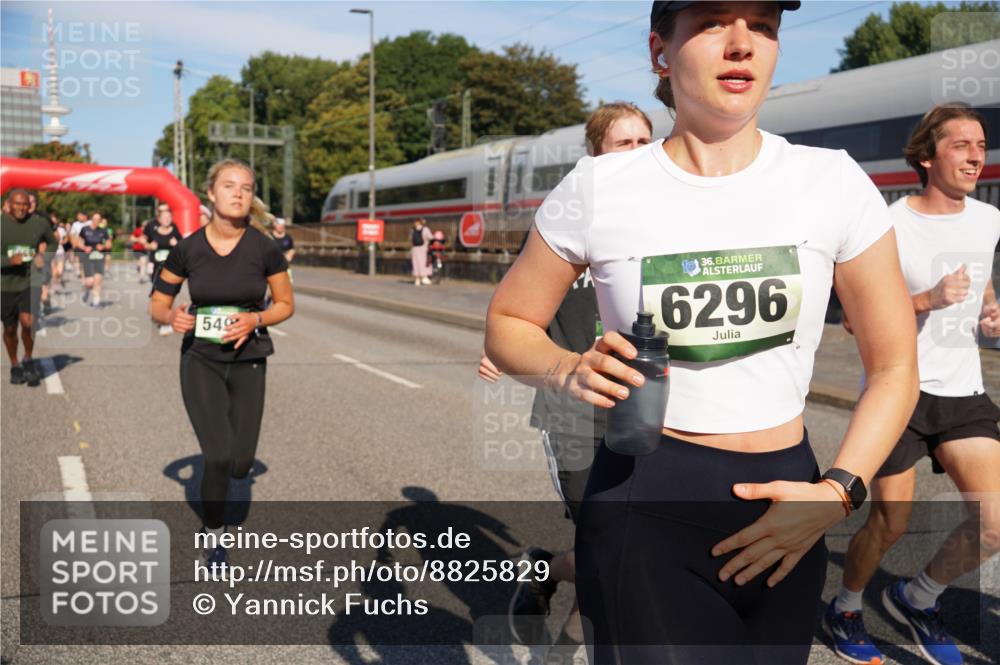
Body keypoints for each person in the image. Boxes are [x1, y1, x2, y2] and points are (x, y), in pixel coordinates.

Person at [484, 3, 921, 664]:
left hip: (791, 505)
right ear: (662, 52)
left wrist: (839, 492)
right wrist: (565, 368)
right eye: (715, 21)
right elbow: (508, 323)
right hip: (648, 498)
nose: (743, 43)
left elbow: (894, 366)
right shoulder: (599, 186)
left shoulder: (832, 181)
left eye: (764, 26)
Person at [827, 104, 1000, 665]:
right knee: (890, 522)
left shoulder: (988, 220)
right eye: (961, 146)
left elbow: (979, 288)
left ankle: (917, 597)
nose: (976, 155)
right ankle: (846, 607)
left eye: (980, 145)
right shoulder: (890, 226)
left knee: (995, 522)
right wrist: (927, 299)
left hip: (963, 391)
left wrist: (990, 314)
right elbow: (854, 317)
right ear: (927, 157)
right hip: (899, 389)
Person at [482, 101, 654, 661]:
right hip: (574, 410)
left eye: (643, 142)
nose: (635, 153)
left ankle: (553, 604)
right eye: (622, 143)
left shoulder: (664, 223)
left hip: (643, 408)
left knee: (623, 546)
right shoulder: (565, 219)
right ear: (595, 154)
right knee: (608, 544)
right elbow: (515, 313)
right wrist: (501, 353)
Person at [150, 158, 293, 571]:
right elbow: (158, 303)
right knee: (216, 454)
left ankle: (229, 477)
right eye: (229, 186)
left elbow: (286, 304)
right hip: (201, 359)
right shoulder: (188, 248)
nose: (238, 193)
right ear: (210, 194)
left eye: (246, 188)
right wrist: (170, 316)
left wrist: (256, 318)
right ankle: (212, 536)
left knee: (240, 463)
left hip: (249, 361)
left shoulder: (265, 248)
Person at [1, 190, 56, 387]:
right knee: (9, 328)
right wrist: (8, 261)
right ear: (9, 204)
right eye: (17, 204)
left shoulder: (39, 223)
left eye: (25, 204)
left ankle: (28, 358)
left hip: (30, 280)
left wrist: (44, 257)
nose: (21, 208)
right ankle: (15, 364)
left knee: (27, 322)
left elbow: (53, 242)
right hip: (5, 284)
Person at [142, 204, 182, 336]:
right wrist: (149, 245)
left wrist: (177, 245)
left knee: (170, 294)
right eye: (164, 217)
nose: (167, 219)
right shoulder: (153, 231)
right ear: (159, 219)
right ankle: (160, 318)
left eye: (169, 217)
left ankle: (163, 319)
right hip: (156, 268)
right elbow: (143, 240)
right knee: (158, 293)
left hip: (171, 269)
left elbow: (183, 247)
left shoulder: (175, 230)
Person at [77, 211, 112, 307]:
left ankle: (97, 300)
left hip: (99, 257)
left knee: (98, 280)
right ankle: (87, 290)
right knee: (90, 282)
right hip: (88, 257)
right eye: (95, 219)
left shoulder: (103, 231)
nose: (96, 221)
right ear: (91, 219)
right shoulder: (85, 229)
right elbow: (79, 243)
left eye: (98, 219)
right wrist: (84, 248)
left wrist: (103, 246)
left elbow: (109, 244)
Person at [410, 218, 433, 286]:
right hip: (423, 249)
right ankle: (424, 277)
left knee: (416, 263)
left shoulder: (412, 230)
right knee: (423, 263)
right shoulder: (425, 229)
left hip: (414, 249)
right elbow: (430, 237)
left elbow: (411, 239)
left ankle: (417, 279)